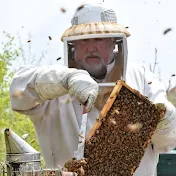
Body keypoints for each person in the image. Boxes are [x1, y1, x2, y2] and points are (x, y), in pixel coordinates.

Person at [10, 1, 176, 176]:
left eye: (98, 39)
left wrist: (165, 120)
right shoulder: (56, 79)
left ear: (114, 43)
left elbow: (168, 141)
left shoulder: (141, 78)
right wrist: (65, 80)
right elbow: (18, 94)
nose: (91, 47)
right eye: (83, 40)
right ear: (72, 47)